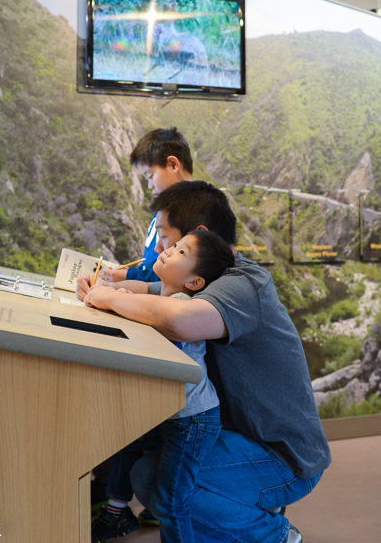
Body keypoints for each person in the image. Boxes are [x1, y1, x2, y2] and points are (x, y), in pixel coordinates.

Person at [80, 181, 331, 543]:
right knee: (147, 466)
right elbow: (151, 293)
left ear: (198, 236)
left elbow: (179, 320)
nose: (161, 249)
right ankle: (241, 511)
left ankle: (274, 534)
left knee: (156, 480)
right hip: (239, 435)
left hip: (284, 456)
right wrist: (97, 287)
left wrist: (109, 298)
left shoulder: (242, 283)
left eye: (169, 240)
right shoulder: (205, 277)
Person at [90, 230, 235, 543]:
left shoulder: (181, 306)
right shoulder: (163, 293)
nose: (169, 249)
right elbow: (140, 293)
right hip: (170, 411)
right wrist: (107, 290)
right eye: (176, 244)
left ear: (195, 282)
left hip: (192, 420)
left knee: (171, 501)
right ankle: (115, 512)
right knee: (126, 442)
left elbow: (160, 333)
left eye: (182, 252)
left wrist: (118, 302)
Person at [104, 127, 193, 284]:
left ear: (173, 165)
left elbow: (173, 275)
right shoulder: (163, 209)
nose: (149, 186)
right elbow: (150, 267)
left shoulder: (194, 212)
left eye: (150, 176)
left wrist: (130, 276)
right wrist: (133, 273)